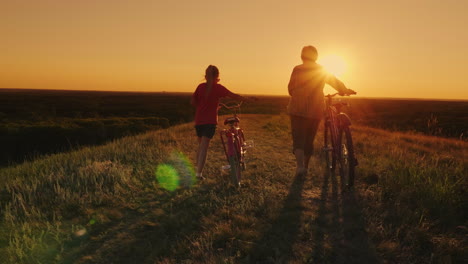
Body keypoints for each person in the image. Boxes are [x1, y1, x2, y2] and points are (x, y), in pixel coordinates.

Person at [287, 45, 355, 177]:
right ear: (316, 56)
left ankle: (300, 167)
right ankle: (306, 167)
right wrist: (345, 90)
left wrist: (297, 93)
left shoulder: (297, 69)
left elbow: (290, 88)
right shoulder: (321, 69)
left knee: (298, 139)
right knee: (309, 139)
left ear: (302, 56)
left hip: (297, 109)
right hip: (315, 109)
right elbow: (335, 82)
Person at [191, 65, 249, 181]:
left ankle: (197, 171)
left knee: (201, 146)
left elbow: (193, 102)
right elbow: (234, 96)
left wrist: (206, 107)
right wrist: (248, 99)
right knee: (204, 148)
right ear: (217, 76)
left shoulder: (200, 87)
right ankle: (198, 174)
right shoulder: (218, 88)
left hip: (199, 121)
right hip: (209, 121)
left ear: (205, 76)